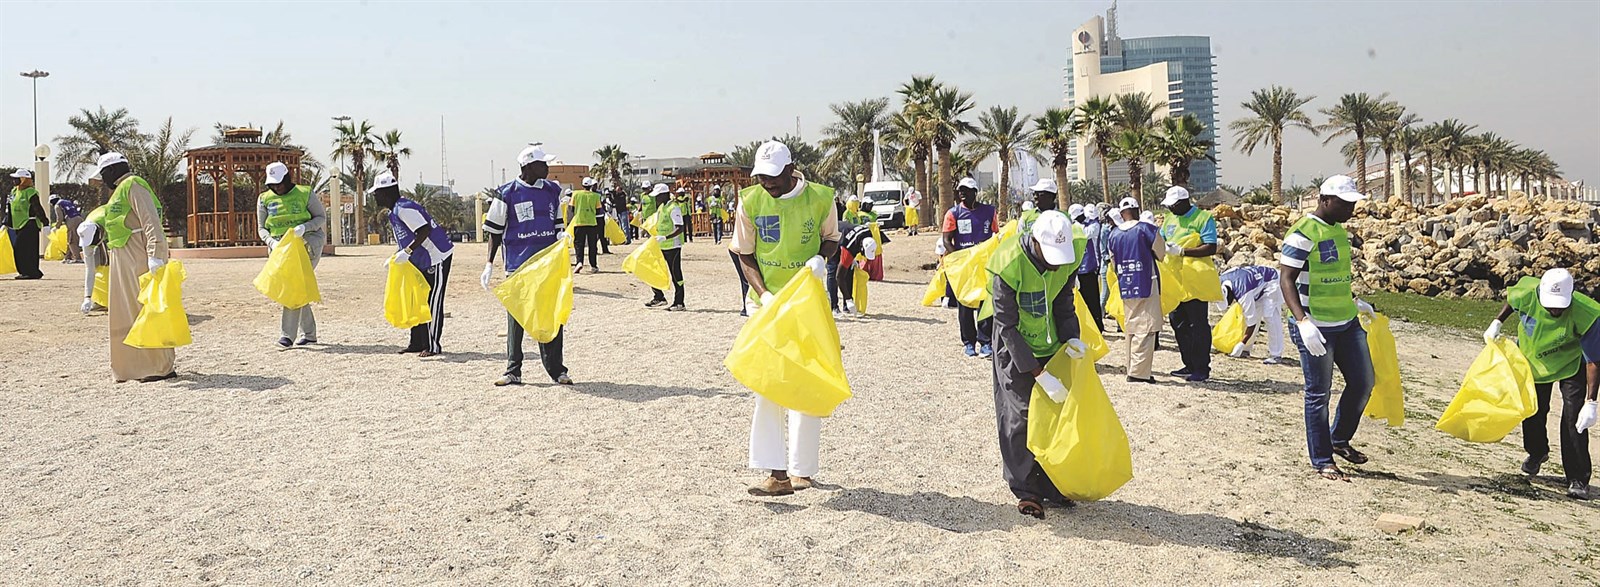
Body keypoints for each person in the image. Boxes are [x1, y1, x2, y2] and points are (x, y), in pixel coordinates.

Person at [732, 140, 841, 496]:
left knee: (805, 380)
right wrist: (763, 295)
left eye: (774, 176)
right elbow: (744, 254)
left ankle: (802, 471)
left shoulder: (822, 198)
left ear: (791, 168)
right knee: (769, 384)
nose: (768, 184)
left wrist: (821, 259)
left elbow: (831, 239)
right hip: (765, 303)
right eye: (761, 177)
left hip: (806, 302)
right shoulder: (749, 201)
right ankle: (776, 474)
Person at [1279, 175, 1378, 482]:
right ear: (1324, 200)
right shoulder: (1303, 232)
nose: (1351, 208)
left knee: (1363, 383)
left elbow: (1332, 275)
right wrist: (1302, 321)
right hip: (1316, 326)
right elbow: (1286, 279)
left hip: (1346, 321)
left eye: (1353, 203)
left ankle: (1338, 439)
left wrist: (1355, 300)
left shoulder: (1338, 231)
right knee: (1318, 394)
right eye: (1345, 203)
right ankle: (1322, 459)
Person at [989, 210, 1085, 518]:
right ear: (1035, 242)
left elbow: (1063, 303)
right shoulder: (1008, 264)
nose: (1056, 262)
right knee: (1021, 415)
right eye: (1050, 255)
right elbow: (1006, 324)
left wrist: (1072, 342)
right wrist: (1037, 372)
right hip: (1014, 345)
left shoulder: (1070, 256)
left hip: (1051, 341)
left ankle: (1053, 485)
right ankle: (1027, 490)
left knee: (1056, 415)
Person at [1485, 269, 1598, 500]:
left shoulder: (1588, 314)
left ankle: (1578, 478)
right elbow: (1512, 301)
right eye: (1550, 304)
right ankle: (1537, 453)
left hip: (1571, 362)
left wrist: (1591, 402)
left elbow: (1594, 360)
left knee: (1573, 418)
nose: (1554, 309)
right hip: (1534, 360)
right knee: (1533, 410)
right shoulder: (1527, 291)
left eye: (1560, 305)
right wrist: (1497, 321)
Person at [484, 144, 573, 387]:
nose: (547, 168)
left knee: (551, 316)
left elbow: (556, 223)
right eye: (542, 164)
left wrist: (561, 235)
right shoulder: (506, 193)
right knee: (516, 320)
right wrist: (489, 263)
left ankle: (557, 369)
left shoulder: (552, 190)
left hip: (547, 265)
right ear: (528, 166)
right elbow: (494, 231)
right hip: (518, 266)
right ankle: (513, 370)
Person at [95, 152, 176, 382]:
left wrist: (156, 254)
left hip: (138, 254)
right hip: (122, 256)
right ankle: (132, 366)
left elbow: (151, 222)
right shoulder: (119, 191)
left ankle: (158, 366)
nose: (103, 180)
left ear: (112, 170)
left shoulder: (134, 186)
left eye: (103, 175)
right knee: (127, 311)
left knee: (145, 310)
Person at [374, 170, 454, 357]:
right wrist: (396, 256)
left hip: (437, 257)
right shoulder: (394, 212)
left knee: (433, 300)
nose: (375, 197)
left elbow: (424, 230)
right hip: (419, 261)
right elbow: (406, 238)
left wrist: (408, 251)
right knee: (417, 299)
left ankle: (433, 345)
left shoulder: (404, 208)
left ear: (386, 192)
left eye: (377, 193)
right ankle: (417, 342)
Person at [256, 161, 327, 348]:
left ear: (287, 179)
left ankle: (287, 335)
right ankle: (310, 334)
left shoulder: (305, 193)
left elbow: (321, 217)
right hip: (280, 248)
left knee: (293, 284)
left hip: (307, 244)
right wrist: (272, 242)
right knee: (298, 286)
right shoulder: (264, 199)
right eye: (272, 184)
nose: (276, 188)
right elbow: (262, 228)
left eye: (278, 183)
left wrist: (305, 227)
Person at [1157, 186, 1218, 382]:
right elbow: (1161, 239)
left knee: (1198, 325)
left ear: (1184, 202)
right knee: (1178, 323)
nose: (1170, 209)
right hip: (1175, 281)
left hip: (1195, 281)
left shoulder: (1203, 218)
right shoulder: (1169, 219)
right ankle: (1188, 364)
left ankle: (1201, 367)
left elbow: (1211, 247)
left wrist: (1183, 252)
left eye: (1173, 206)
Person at [1107, 197, 1167, 383]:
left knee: (1131, 326)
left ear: (1122, 213)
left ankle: (1131, 367)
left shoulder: (1114, 234)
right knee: (1147, 326)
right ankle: (1139, 372)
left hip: (1126, 282)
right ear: (1137, 210)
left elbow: (1113, 261)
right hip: (1147, 281)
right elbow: (1161, 253)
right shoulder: (1146, 229)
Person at [943, 177, 998, 358]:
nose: (962, 193)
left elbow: (996, 236)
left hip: (984, 266)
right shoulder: (953, 213)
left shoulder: (989, 212)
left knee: (985, 303)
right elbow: (946, 240)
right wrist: (959, 259)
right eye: (960, 190)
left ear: (975, 192)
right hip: (965, 267)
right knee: (965, 305)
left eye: (966, 190)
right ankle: (968, 342)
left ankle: (985, 342)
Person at [1219, 265, 1285, 364]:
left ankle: (1276, 354)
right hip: (1257, 285)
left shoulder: (1243, 293)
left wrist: (1241, 343)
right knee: (1252, 314)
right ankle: (1246, 350)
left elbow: (1251, 323)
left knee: (1270, 316)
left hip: (1273, 281)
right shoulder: (1221, 279)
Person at [646, 183, 686, 311]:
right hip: (661, 245)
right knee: (652, 268)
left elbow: (680, 228)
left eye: (658, 196)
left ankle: (679, 302)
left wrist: (666, 237)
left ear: (664, 195)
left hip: (673, 246)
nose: (656, 199)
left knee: (676, 274)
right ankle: (659, 297)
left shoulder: (674, 208)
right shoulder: (662, 207)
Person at [1070, 202, 1106, 333]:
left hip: (1090, 269)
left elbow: (1084, 234)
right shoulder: (1076, 226)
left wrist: (1076, 225)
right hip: (1078, 270)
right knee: (1081, 301)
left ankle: (1098, 327)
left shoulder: (1093, 226)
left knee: (1093, 300)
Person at [7, 169, 47, 279]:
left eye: (17, 178)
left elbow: (37, 207)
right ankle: (25, 271)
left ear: (24, 179)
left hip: (30, 223)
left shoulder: (31, 192)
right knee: (20, 249)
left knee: (27, 248)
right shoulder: (14, 191)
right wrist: (6, 222)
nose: (14, 181)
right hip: (17, 224)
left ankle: (31, 272)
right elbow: (10, 208)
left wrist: (45, 221)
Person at [833, 220, 879, 317]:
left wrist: (853, 259)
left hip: (845, 233)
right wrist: (849, 299)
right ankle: (834, 307)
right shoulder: (850, 247)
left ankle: (846, 307)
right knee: (833, 271)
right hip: (833, 235)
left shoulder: (868, 234)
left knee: (850, 271)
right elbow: (839, 276)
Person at [567, 177, 604, 274]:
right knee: (592, 245)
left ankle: (579, 262)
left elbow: (571, 208)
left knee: (579, 244)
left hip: (579, 222)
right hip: (592, 222)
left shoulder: (575, 194)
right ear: (591, 186)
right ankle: (594, 266)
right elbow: (598, 210)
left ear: (582, 185)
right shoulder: (596, 196)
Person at [76, 204, 109, 314]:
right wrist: (87, 298)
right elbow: (89, 269)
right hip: (103, 230)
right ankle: (101, 301)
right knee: (98, 264)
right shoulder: (86, 231)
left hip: (120, 227)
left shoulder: (110, 220)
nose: (91, 246)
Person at [50, 191, 86, 263]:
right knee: (72, 239)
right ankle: (68, 257)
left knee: (71, 240)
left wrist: (57, 227)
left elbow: (60, 217)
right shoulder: (67, 202)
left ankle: (77, 258)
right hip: (79, 219)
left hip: (72, 221)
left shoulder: (57, 205)